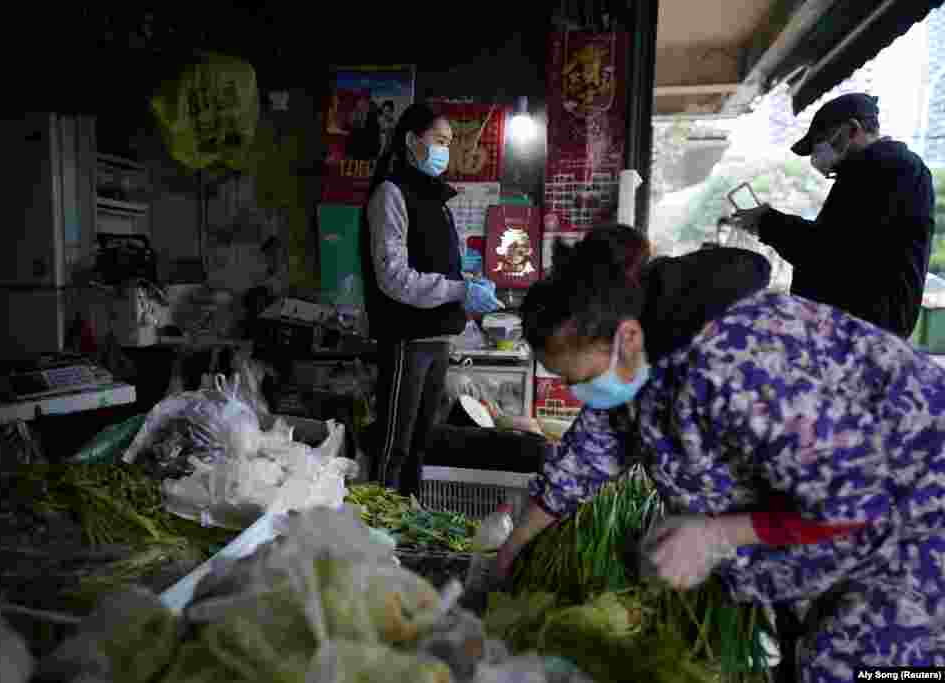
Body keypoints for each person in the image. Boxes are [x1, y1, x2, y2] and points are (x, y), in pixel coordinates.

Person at [494, 224, 945, 681]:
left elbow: (853, 494)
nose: (577, 394)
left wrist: (716, 534)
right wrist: (514, 544)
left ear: (626, 338)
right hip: (835, 529)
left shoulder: (738, 359)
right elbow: (588, 453)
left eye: (577, 379)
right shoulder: (640, 352)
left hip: (917, 522)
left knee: (863, 666)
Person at [360, 102, 501, 495]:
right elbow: (393, 277)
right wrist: (458, 289)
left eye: (448, 142)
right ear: (410, 141)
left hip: (438, 337)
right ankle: (376, 531)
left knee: (421, 444)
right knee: (395, 446)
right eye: (439, 140)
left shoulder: (435, 200)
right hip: (408, 338)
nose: (445, 150)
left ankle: (406, 522)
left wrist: (469, 281)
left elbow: (433, 265)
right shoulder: (391, 194)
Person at [734, 93, 935, 339]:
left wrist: (766, 222)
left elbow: (831, 251)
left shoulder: (890, 169)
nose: (817, 154)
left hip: (863, 334)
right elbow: (835, 241)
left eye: (821, 141)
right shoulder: (869, 171)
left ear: (852, 129)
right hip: (854, 330)